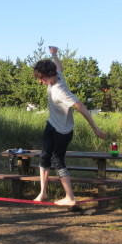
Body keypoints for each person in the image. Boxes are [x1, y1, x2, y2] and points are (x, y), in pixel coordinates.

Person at [33, 46, 108, 206]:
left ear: (47, 76)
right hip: (51, 125)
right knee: (44, 157)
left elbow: (80, 106)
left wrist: (95, 128)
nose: (40, 81)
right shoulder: (56, 75)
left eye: (41, 78)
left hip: (63, 131)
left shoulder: (60, 90)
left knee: (57, 160)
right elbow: (59, 66)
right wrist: (54, 54)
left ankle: (70, 198)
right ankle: (43, 192)